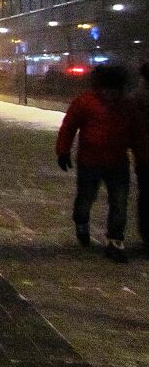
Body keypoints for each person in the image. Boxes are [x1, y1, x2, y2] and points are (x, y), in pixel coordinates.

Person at [56, 65, 134, 263]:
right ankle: (81, 220)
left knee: (119, 202)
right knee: (86, 198)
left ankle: (115, 240)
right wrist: (63, 151)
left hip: (118, 163)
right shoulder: (85, 103)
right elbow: (69, 126)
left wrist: (143, 158)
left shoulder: (126, 106)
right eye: (107, 90)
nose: (111, 95)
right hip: (90, 162)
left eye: (115, 90)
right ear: (100, 87)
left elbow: (137, 134)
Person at [132, 61, 149, 256]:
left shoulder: (136, 97)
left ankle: (147, 235)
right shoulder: (138, 97)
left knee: (146, 195)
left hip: (144, 156)